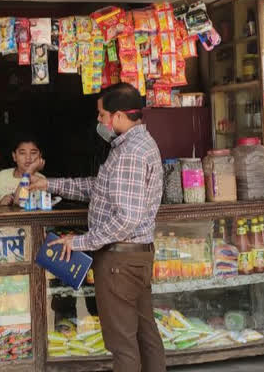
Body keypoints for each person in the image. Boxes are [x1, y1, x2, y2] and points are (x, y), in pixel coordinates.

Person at [30, 82, 165, 372]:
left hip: (120, 260)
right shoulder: (134, 145)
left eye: (101, 115)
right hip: (132, 258)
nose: (99, 122)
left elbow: (126, 217)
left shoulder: (130, 152)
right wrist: (50, 183)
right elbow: (98, 188)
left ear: (117, 116)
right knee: (145, 335)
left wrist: (79, 242)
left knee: (123, 344)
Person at [0, 133, 45, 206]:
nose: (28, 158)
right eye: (22, 153)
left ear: (40, 156)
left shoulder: (42, 180)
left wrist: (29, 171)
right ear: (14, 156)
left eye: (33, 153)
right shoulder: (2, 176)